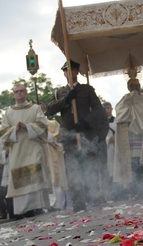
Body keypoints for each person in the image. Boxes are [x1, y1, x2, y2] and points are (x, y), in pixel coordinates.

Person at [46, 60, 109, 212]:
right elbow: (50, 110)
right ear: (64, 73)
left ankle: (92, 197)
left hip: (86, 134)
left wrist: (86, 122)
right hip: (69, 136)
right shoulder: (59, 92)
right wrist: (66, 100)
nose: (69, 73)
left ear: (76, 72)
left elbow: (99, 110)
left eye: (72, 70)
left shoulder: (87, 89)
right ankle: (78, 202)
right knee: (73, 169)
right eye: (66, 70)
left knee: (89, 166)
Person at [0, 83, 51, 218]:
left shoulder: (35, 108)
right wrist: (15, 129)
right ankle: (25, 209)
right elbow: (3, 132)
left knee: (35, 172)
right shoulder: (9, 112)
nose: (19, 93)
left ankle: (38, 207)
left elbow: (43, 125)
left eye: (21, 91)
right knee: (21, 176)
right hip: (17, 151)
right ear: (13, 94)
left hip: (33, 147)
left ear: (26, 93)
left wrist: (27, 127)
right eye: (16, 91)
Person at [39, 102, 70, 211]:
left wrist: (47, 135)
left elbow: (57, 137)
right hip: (40, 154)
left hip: (52, 152)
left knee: (55, 178)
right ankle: (45, 205)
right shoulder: (33, 125)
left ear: (45, 109)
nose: (39, 110)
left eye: (41, 108)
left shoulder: (52, 123)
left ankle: (57, 204)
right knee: (43, 178)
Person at [103, 102, 119, 200]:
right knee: (109, 170)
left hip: (117, 147)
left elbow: (121, 132)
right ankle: (110, 194)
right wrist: (108, 139)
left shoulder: (117, 120)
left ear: (112, 109)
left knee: (117, 168)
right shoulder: (101, 122)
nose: (107, 110)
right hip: (107, 148)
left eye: (108, 108)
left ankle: (119, 192)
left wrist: (116, 137)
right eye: (104, 108)